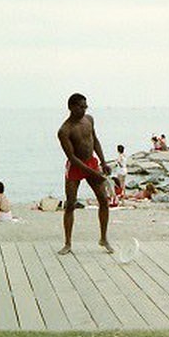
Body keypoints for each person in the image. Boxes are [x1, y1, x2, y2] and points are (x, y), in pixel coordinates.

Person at [57, 93, 113, 254]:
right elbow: (72, 157)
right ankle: (67, 243)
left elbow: (95, 140)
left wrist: (103, 162)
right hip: (76, 166)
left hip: (91, 162)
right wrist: (93, 173)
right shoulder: (64, 130)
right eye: (81, 107)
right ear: (71, 107)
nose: (84, 109)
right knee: (71, 203)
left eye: (85, 106)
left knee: (103, 200)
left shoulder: (89, 120)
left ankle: (103, 238)